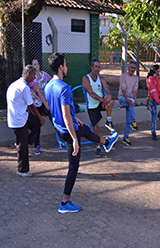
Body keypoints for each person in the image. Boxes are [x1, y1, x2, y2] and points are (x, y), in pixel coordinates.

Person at [44, 53, 118, 213]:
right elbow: (64, 114)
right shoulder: (64, 88)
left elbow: (53, 110)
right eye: (65, 64)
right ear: (61, 67)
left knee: (84, 127)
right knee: (73, 167)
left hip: (61, 128)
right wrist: (74, 139)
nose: (67, 67)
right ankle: (64, 203)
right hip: (69, 132)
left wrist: (72, 118)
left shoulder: (48, 86)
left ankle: (106, 143)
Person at [6, 65, 46, 177]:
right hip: (19, 120)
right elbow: (31, 106)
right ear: (28, 74)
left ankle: (24, 141)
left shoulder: (15, 84)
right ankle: (22, 170)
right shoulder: (24, 87)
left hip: (19, 116)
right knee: (23, 147)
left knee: (35, 125)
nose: (34, 78)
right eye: (33, 75)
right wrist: (41, 118)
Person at [82, 59, 115, 158]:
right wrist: (103, 100)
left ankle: (109, 120)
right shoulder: (86, 78)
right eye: (95, 66)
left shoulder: (101, 79)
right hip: (92, 105)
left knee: (109, 99)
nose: (97, 69)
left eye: (99, 67)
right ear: (91, 67)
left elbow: (108, 91)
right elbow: (91, 93)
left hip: (101, 103)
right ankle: (98, 147)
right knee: (95, 127)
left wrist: (109, 99)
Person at [29, 59, 52, 155]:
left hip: (45, 101)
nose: (36, 66)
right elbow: (38, 92)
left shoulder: (44, 75)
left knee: (52, 113)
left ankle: (61, 133)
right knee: (37, 123)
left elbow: (52, 81)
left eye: (37, 64)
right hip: (36, 103)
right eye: (34, 64)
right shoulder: (31, 78)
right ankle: (37, 145)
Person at [118, 60, 139, 146]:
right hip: (123, 98)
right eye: (131, 67)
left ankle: (125, 138)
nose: (133, 69)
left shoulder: (136, 78)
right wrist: (128, 100)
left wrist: (135, 99)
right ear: (128, 68)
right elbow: (123, 89)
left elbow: (135, 89)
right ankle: (133, 121)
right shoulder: (123, 76)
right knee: (131, 104)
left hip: (130, 100)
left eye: (134, 68)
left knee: (128, 118)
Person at [146, 64, 160, 140]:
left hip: (158, 97)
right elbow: (153, 92)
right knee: (153, 116)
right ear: (155, 71)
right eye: (158, 69)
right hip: (152, 99)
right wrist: (159, 101)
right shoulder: (150, 80)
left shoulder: (159, 79)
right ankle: (153, 132)